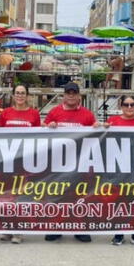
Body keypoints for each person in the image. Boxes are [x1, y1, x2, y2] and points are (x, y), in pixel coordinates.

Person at [43, 82, 99, 243]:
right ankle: (55, 227)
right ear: (64, 95)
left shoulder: (87, 115)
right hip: (58, 163)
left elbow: (95, 137)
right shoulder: (54, 112)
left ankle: (80, 228)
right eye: (68, 93)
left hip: (79, 163)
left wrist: (96, 127)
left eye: (74, 93)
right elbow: (42, 131)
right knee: (57, 195)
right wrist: (48, 126)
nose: (71, 96)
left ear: (79, 96)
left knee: (80, 196)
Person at [105, 96, 134, 248]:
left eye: (132, 104)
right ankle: (119, 234)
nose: (129, 107)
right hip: (119, 169)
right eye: (126, 104)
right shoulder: (113, 121)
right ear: (121, 106)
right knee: (120, 200)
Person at [0, 84, 40, 244]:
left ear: (27, 95)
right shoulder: (6, 113)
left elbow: (39, 138)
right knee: (5, 196)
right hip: (8, 162)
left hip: (25, 163)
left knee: (21, 197)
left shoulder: (34, 114)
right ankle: (7, 228)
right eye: (17, 93)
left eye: (23, 93)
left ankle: (19, 230)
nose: (20, 96)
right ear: (13, 95)